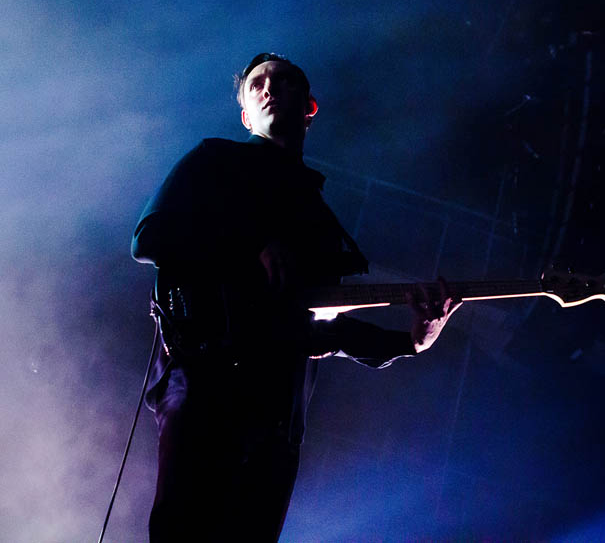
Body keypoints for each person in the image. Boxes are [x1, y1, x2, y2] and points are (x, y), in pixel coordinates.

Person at [131, 52, 460, 541]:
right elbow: (149, 239)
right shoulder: (214, 161)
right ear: (246, 114)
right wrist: (251, 246)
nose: (270, 87)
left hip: (278, 416)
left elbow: (320, 327)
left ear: (310, 106)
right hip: (204, 382)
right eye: (258, 83)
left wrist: (412, 342)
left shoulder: (318, 218)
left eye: (284, 81)